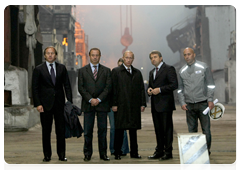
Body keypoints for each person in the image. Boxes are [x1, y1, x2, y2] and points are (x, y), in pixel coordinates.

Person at [32, 46, 72, 162]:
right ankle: (47, 155)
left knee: (60, 130)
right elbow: (35, 88)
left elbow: (67, 86)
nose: (50, 55)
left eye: (52, 53)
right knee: (46, 131)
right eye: (48, 53)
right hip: (45, 105)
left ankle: (61, 155)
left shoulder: (62, 68)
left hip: (60, 104)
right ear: (44, 56)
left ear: (56, 55)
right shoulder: (39, 69)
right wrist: (38, 104)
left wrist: (69, 102)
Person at [177, 47, 215, 155]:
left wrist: (210, 99)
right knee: (192, 131)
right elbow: (180, 89)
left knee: (206, 130)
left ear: (194, 55)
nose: (187, 56)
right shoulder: (181, 71)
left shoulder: (203, 67)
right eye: (185, 55)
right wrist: (182, 102)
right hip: (189, 106)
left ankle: (206, 151)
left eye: (189, 54)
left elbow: (210, 84)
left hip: (203, 103)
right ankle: (195, 152)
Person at [78, 48, 112, 161]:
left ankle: (103, 154)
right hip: (88, 105)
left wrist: (99, 99)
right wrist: (90, 99)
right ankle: (87, 154)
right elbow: (81, 88)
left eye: (97, 55)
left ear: (100, 56)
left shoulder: (107, 71)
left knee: (102, 130)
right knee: (88, 131)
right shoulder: (82, 71)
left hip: (102, 104)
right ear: (89, 56)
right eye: (93, 55)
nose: (95, 57)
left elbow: (108, 88)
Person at [112, 50, 146, 160]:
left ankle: (134, 153)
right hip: (121, 105)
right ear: (123, 58)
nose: (128, 60)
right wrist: (114, 104)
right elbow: (113, 89)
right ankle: (117, 152)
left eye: (131, 58)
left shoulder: (137, 73)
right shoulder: (116, 71)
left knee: (133, 130)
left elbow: (141, 89)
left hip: (134, 105)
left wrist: (142, 103)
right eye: (127, 57)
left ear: (133, 59)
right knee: (119, 130)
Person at [147, 50, 178, 161]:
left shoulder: (169, 69)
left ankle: (168, 152)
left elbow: (174, 85)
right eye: (151, 58)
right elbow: (151, 86)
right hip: (155, 105)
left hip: (165, 105)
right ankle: (159, 151)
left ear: (161, 58)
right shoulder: (151, 72)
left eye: (155, 57)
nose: (153, 59)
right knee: (158, 129)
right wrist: (149, 90)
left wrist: (159, 90)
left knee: (167, 129)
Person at [108, 58, 130, 156]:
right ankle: (113, 149)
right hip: (113, 105)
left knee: (123, 129)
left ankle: (123, 149)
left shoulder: (129, 77)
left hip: (124, 105)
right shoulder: (113, 75)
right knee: (113, 128)